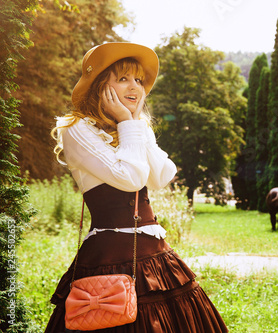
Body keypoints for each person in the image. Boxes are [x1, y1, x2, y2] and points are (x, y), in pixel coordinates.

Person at [45, 42, 228, 332]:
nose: (135, 87)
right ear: (99, 86)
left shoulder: (132, 126)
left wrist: (134, 125)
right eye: (123, 79)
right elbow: (130, 178)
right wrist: (129, 124)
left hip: (155, 253)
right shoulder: (76, 129)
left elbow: (162, 175)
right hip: (109, 254)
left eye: (138, 80)